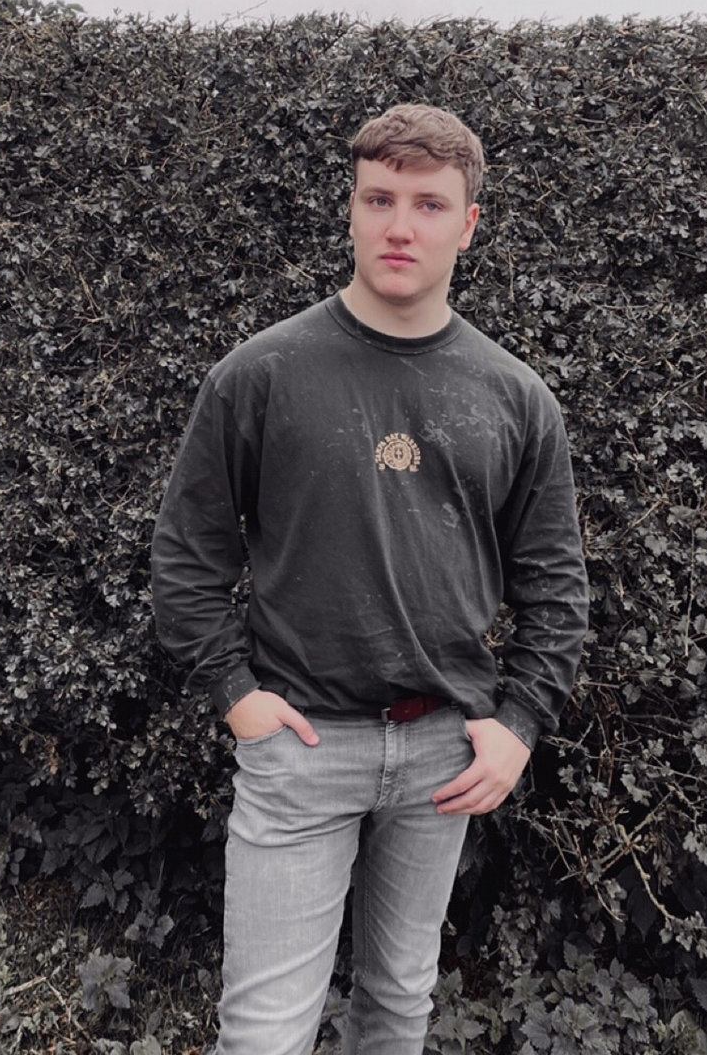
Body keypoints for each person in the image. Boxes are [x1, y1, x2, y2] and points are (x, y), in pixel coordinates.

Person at [151, 103, 589, 1055]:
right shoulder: (261, 374)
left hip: (442, 755)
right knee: (264, 1032)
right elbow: (187, 556)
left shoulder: (515, 397)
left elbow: (555, 585)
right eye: (378, 198)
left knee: (398, 1009)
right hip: (299, 751)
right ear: (349, 210)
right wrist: (235, 696)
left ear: (468, 224)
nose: (400, 226)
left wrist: (518, 725)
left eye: (429, 205)